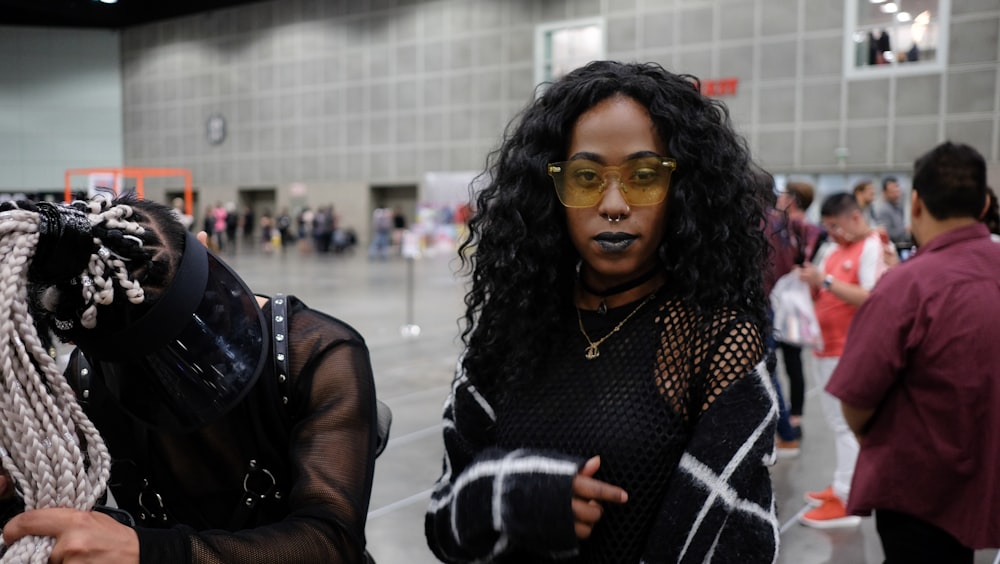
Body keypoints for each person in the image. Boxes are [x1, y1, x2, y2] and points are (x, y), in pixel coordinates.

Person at [425, 61, 778, 562]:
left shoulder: (716, 339)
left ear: (682, 190)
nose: (614, 203)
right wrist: (511, 491)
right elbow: (443, 523)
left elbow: (745, 538)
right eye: (587, 177)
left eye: (643, 176)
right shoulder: (508, 332)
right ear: (551, 190)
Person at [0, 195, 381, 563]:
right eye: (144, 367)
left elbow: (332, 540)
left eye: (200, 326)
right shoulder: (87, 378)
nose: (186, 372)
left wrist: (152, 552)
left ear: (204, 246)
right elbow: (54, 513)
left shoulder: (316, 353)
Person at [826, 142, 1000, 563]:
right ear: (983, 205)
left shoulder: (909, 285)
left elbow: (856, 400)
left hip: (921, 487)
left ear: (916, 202)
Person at [797, 192, 890, 529]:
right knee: (837, 424)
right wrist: (811, 284)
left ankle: (850, 498)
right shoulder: (834, 249)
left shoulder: (872, 247)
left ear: (854, 217)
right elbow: (822, 289)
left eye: (836, 226)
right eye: (828, 228)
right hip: (826, 347)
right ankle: (841, 486)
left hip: (848, 348)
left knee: (846, 425)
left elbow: (870, 297)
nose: (832, 233)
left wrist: (825, 281)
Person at [774, 181, 825, 434]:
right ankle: (796, 416)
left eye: (783, 194)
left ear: (792, 198)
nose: (779, 198)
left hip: (787, 298)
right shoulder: (811, 228)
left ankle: (791, 418)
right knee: (793, 361)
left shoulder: (792, 226)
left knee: (785, 360)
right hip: (793, 297)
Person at [872, 176, 909, 247]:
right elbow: (887, 234)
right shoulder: (883, 209)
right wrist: (905, 229)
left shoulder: (898, 207)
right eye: (892, 191)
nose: (896, 192)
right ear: (885, 192)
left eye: (897, 189)